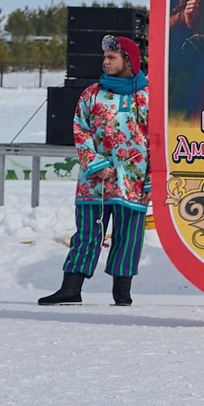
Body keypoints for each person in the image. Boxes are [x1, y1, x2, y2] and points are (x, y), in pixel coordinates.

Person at [38, 34, 150, 308]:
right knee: (87, 234)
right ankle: (70, 289)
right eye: (104, 58)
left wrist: (152, 181)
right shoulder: (91, 94)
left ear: (129, 61)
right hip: (95, 182)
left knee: (129, 237)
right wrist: (96, 165)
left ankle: (122, 295)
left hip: (133, 183)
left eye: (112, 57)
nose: (106, 62)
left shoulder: (148, 97)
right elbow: (80, 129)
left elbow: (158, 138)